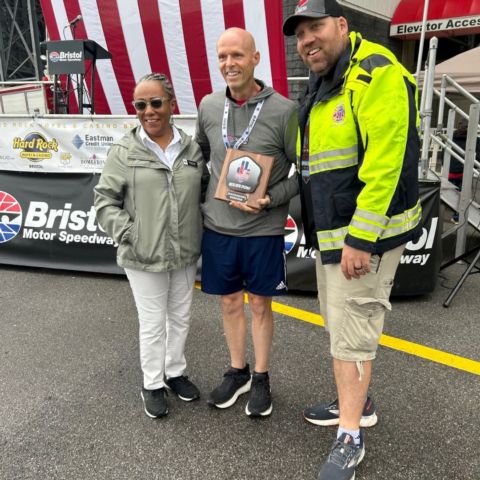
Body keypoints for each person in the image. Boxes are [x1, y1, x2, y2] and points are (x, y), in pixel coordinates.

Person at [283, 1, 422, 478]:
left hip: (365, 237)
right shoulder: (327, 83)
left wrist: (361, 238)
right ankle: (356, 405)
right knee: (341, 326)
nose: (307, 41)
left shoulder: (375, 72)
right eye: (300, 35)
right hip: (335, 234)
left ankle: (350, 436)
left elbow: (386, 161)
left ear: (342, 25)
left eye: (316, 27)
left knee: (352, 336)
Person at [195, 28, 298, 417]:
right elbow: (202, 159)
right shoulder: (208, 106)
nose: (228, 64)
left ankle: (261, 377)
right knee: (228, 301)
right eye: (222, 56)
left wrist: (272, 198)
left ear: (256, 58)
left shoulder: (285, 111)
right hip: (219, 225)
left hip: (263, 228)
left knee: (260, 304)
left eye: (237, 55)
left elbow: (301, 173)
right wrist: (205, 200)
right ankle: (237, 372)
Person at [94, 73, 205, 419]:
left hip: (184, 252)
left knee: (181, 317)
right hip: (142, 255)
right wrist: (130, 232)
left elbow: (200, 194)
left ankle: (175, 372)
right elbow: (104, 202)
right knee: (153, 322)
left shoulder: (191, 149)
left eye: (156, 102)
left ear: (172, 104)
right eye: (141, 105)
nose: (149, 111)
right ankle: (153, 383)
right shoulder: (124, 151)